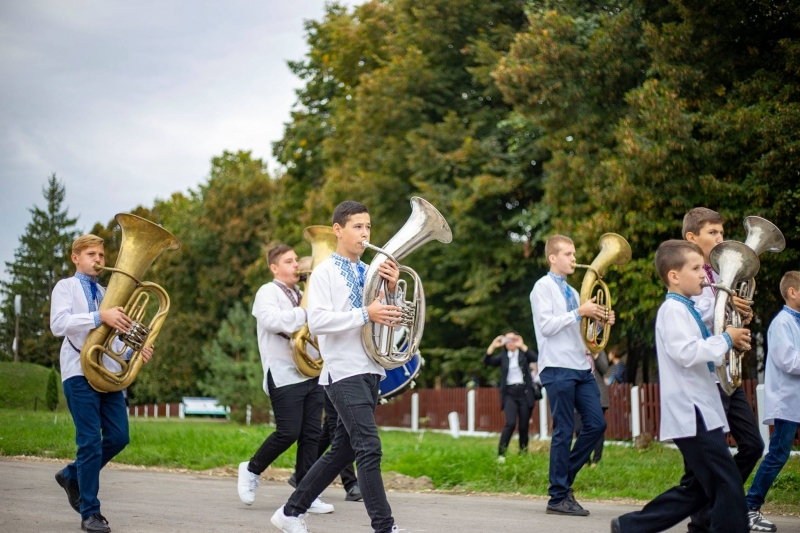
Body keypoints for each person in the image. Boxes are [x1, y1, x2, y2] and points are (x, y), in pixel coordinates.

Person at [270, 200, 404, 533]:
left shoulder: (371, 271)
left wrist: (391, 292)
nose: (365, 233)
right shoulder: (326, 270)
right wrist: (365, 313)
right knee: (368, 449)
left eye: (368, 227)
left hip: (371, 369)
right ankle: (384, 528)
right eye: (358, 226)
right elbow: (316, 322)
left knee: (341, 452)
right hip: (344, 371)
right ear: (338, 230)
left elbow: (394, 325)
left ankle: (290, 512)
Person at [611, 239, 751, 533]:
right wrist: (726, 339)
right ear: (674, 276)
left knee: (698, 488)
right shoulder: (673, 310)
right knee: (727, 482)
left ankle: (630, 527)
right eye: (696, 268)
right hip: (693, 411)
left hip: (699, 409)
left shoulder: (684, 309)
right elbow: (687, 352)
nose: (704, 274)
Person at [51, 234, 155, 533]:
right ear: (76, 258)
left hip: (109, 374)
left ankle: (72, 475)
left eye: (102, 256)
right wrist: (100, 316)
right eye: (91, 255)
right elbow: (58, 324)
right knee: (89, 441)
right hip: (79, 372)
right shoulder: (65, 287)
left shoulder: (110, 291)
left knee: (119, 437)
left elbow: (123, 332)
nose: (98, 260)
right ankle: (90, 512)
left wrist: (139, 346)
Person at [683, 207, 764, 532]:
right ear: (692, 238)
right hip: (703, 377)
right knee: (697, 464)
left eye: (721, 231)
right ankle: (702, 520)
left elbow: (726, 324)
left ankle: (708, 512)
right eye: (713, 233)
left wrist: (739, 324)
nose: (721, 238)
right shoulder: (686, 274)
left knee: (753, 444)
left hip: (726, 375)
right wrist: (725, 306)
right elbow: (690, 320)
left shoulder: (720, 274)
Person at [236, 245, 333, 514]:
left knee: (312, 435)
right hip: (282, 371)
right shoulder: (267, 291)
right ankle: (251, 469)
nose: (295, 266)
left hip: (310, 371)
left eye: (295, 261)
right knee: (288, 431)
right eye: (289, 262)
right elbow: (271, 321)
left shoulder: (302, 294)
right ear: (274, 268)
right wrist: (306, 313)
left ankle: (306, 492)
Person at [530, 234, 610, 516]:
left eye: (575, 254)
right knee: (564, 430)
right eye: (568, 254)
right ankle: (558, 497)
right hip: (556, 367)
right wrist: (580, 312)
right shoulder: (542, 288)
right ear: (553, 258)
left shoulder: (575, 293)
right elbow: (547, 326)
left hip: (580, 366)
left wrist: (599, 324)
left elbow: (584, 336)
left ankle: (563, 480)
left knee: (597, 425)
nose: (574, 258)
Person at [744, 271, 800, 532]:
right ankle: (750, 508)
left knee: (779, 453)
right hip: (788, 401)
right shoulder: (782, 323)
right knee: (778, 454)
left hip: (795, 400)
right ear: (793, 292)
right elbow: (788, 361)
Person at [287, 394, 363, 502]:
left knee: (329, 430)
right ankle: (350, 484)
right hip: (335, 383)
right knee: (338, 433)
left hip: (342, 384)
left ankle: (303, 471)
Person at [483, 330, 539, 461]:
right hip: (509, 394)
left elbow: (535, 358)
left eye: (512, 339)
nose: (510, 343)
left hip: (525, 393)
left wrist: (522, 345)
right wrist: (493, 345)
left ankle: (523, 453)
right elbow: (487, 361)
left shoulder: (524, 355)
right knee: (510, 423)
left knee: (524, 425)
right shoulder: (503, 357)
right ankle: (501, 455)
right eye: (507, 340)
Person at [574, 349, 610, 467]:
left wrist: (595, 354)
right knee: (579, 428)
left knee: (597, 426)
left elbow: (605, 369)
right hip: (578, 392)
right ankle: (584, 459)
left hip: (597, 392)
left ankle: (596, 460)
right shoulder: (574, 346)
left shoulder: (597, 347)